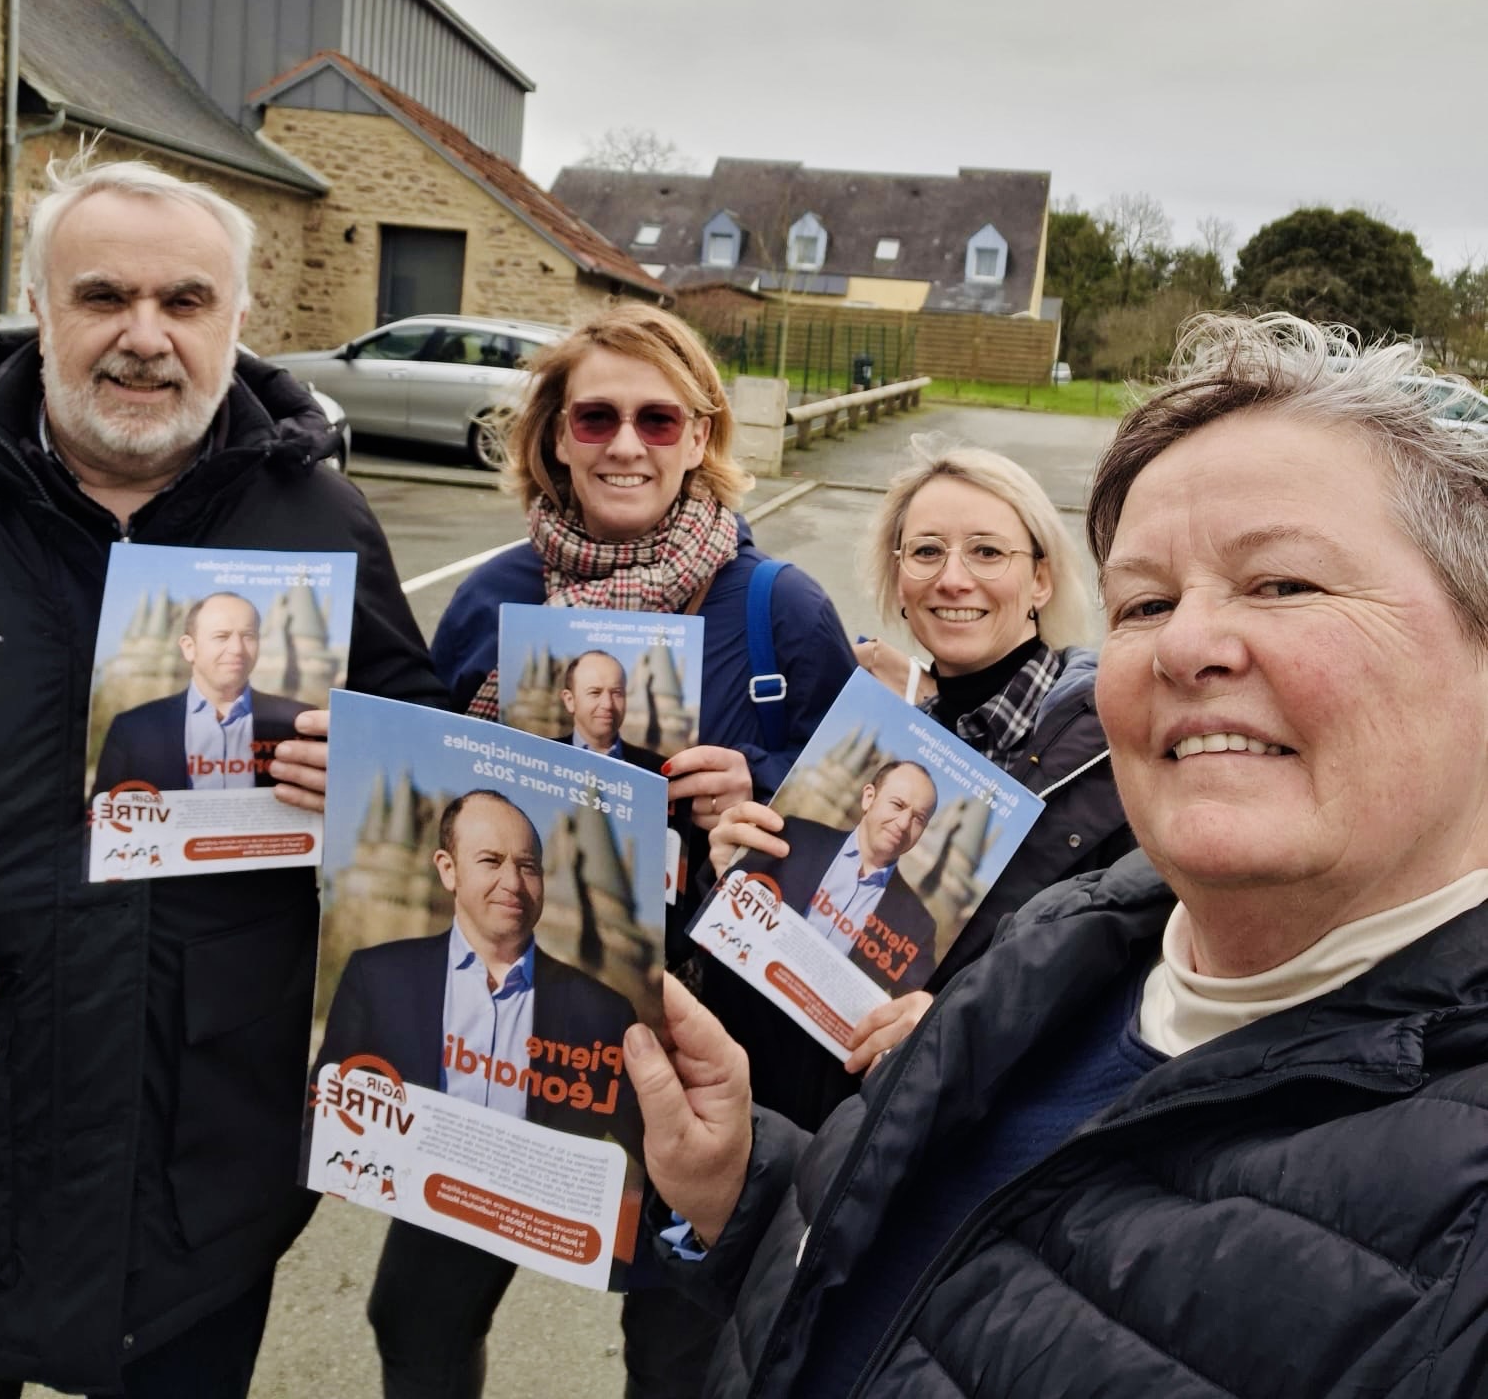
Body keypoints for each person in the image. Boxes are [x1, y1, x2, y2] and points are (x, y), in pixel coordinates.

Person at [626, 313, 1488, 1397]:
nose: (1186, 642)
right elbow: (938, 1284)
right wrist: (746, 1185)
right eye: (1147, 602)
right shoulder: (1064, 958)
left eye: (1284, 584)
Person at [0, 156, 444, 1399]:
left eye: (185, 300)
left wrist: (372, 766)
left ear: (237, 317)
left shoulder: (320, 515)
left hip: (204, 1145)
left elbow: (418, 748)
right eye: (103, 296)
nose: (146, 336)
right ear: (38, 306)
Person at [372, 304, 856, 1399]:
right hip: (510, 1027)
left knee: (678, 1356)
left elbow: (853, 826)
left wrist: (760, 788)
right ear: (556, 435)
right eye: (596, 417)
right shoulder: (494, 597)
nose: (626, 444)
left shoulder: (778, 610)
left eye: (657, 418)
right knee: (416, 1308)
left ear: (699, 435)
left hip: (697, 1043)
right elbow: (419, 794)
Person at [707, 441, 1129, 1124]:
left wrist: (958, 1031)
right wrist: (739, 874)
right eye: (927, 552)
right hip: (810, 1141)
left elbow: (1115, 1004)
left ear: (1041, 582)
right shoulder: (893, 737)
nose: (952, 579)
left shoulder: (1108, 754)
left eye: (987, 552)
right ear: (899, 580)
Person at [317, 790, 640, 1155]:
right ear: (448, 870)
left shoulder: (603, 1015)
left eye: (528, 866)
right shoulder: (377, 978)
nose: (513, 883)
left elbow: (657, 1158)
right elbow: (324, 1118)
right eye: (490, 861)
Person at [91, 590, 303, 794]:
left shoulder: (300, 723)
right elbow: (103, 813)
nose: (237, 649)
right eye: (221, 636)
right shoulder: (132, 729)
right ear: (189, 648)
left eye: (249, 636)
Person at [759, 760, 938, 990]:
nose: (904, 824)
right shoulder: (794, 836)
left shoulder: (919, 927)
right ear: (869, 798)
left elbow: (920, 1004)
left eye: (919, 819)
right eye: (897, 804)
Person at [557, 649, 662, 771]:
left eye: (617, 693)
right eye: (595, 692)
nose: (608, 704)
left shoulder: (657, 771)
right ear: (570, 701)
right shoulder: (541, 758)